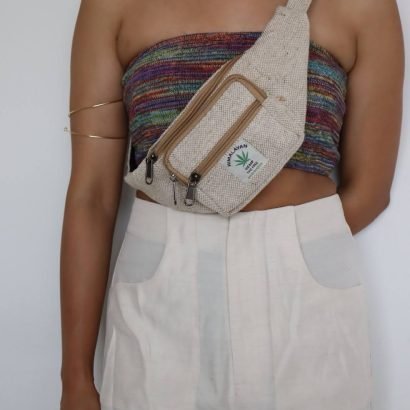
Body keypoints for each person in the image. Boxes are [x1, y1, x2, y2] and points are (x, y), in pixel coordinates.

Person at [59, 0, 405, 409]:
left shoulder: (364, 6)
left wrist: (293, 244)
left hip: (305, 297)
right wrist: (75, 377)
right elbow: (92, 198)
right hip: (163, 291)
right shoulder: (110, 6)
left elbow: (370, 189)